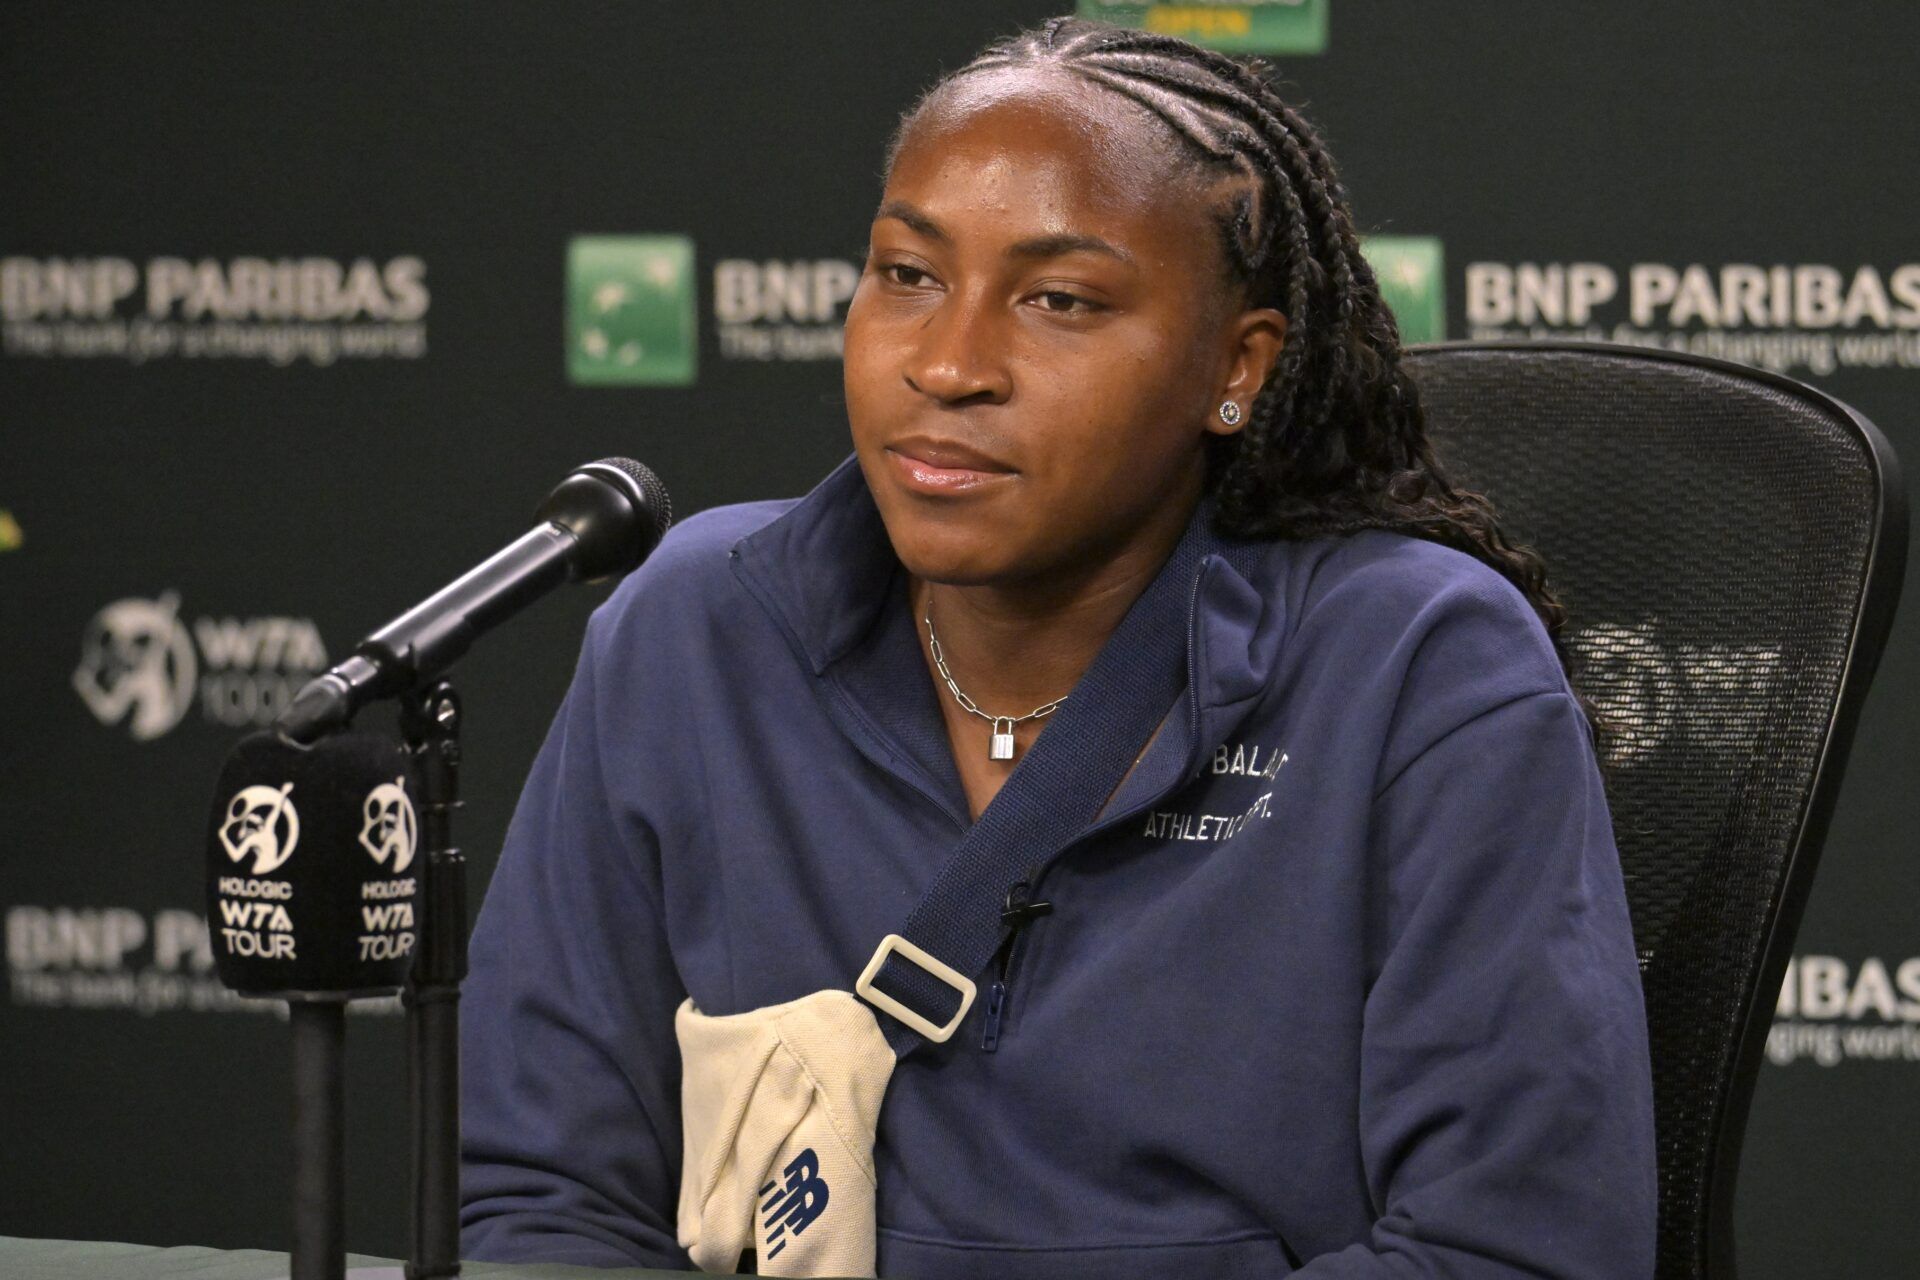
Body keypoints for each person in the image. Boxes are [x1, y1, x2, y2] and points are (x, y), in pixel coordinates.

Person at [460, 16, 1656, 1278]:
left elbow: (1516, 1246)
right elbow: (548, 1197)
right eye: (907, 274)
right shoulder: (694, 626)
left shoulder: (1421, 661)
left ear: (1235, 368)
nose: (949, 361)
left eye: (1059, 300)